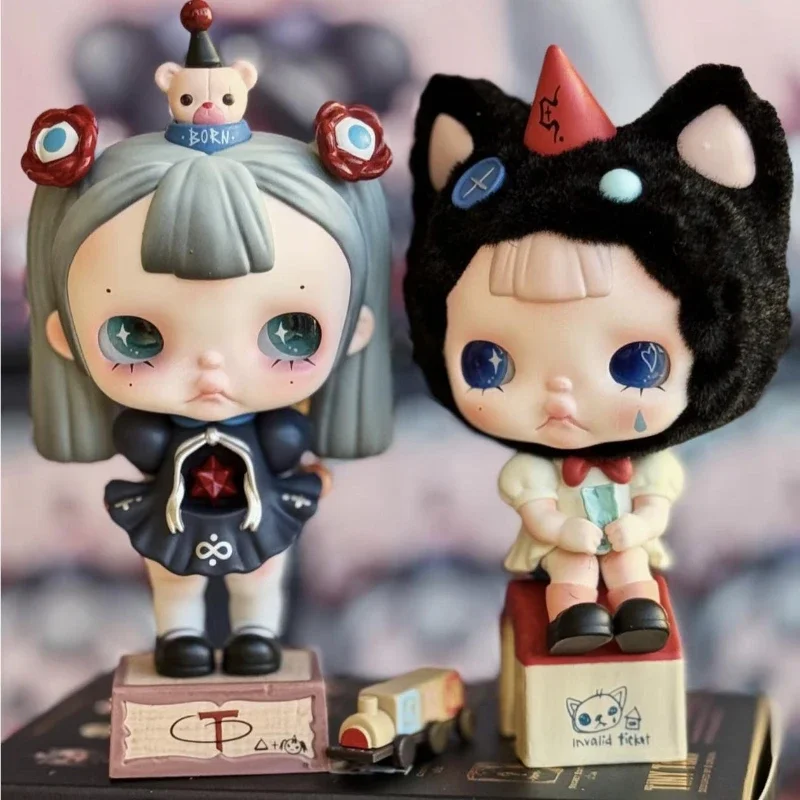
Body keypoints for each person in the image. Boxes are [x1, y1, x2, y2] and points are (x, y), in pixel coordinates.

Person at [404, 45, 792, 655]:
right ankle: (572, 616)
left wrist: (638, 523)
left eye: (636, 363)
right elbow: (537, 512)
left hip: (628, 543)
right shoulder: (533, 471)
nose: (560, 396)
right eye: (490, 364)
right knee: (572, 570)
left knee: (632, 568)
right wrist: (563, 527)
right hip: (567, 545)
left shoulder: (649, 464)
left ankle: (637, 608)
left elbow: (657, 502)